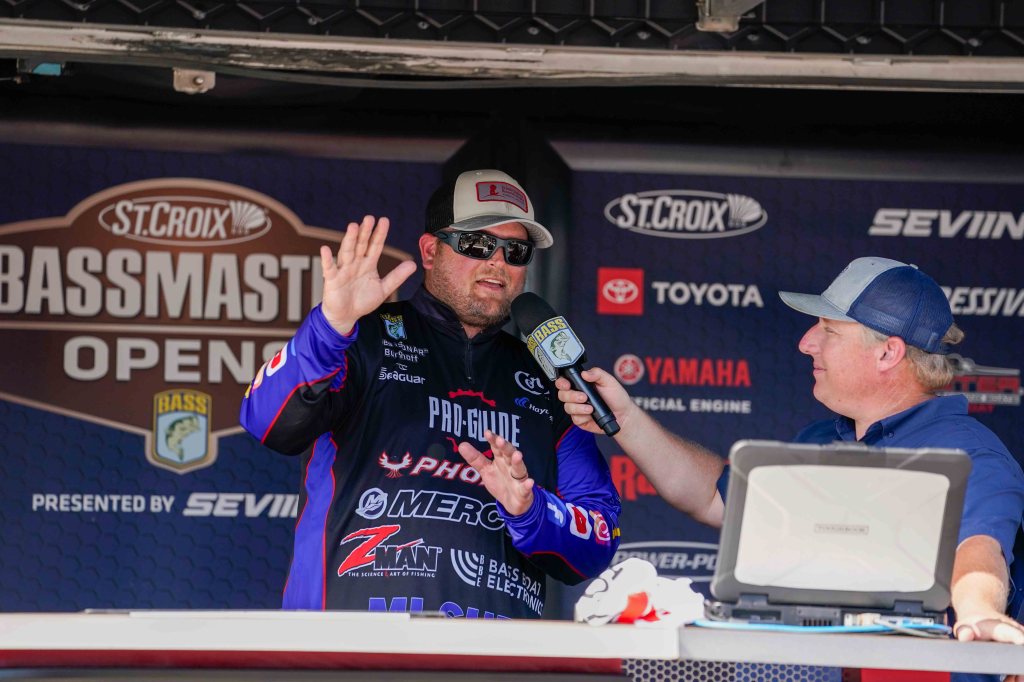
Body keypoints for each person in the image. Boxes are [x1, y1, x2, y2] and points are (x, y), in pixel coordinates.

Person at [556, 257, 1024, 676]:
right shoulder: (821, 440)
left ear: (888, 352)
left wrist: (980, 613)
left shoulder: (969, 453)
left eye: (829, 330)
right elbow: (713, 497)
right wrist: (627, 421)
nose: (805, 343)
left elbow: (978, 550)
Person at [240, 169, 621, 619]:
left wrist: (530, 509)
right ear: (430, 250)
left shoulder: (548, 381)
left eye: (515, 251)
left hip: (495, 652)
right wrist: (331, 326)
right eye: (477, 243)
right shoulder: (359, 338)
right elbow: (266, 421)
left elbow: (597, 543)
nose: (497, 262)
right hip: (350, 644)